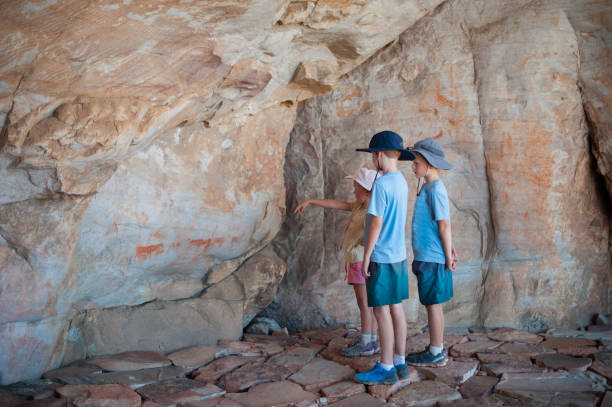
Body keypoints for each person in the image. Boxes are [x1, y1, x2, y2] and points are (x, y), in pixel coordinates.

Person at [294, 167, 381, 356]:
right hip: (355, 260)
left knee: (365, 303)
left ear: (367, 191)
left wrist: (365, 241)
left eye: (356, 188)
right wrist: (311, 201)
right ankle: (372, 339)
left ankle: (368, 342)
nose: (353, 191)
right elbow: (335, 204)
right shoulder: (359, 206)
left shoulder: (371, 210)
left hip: (359, 262)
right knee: (368, 303)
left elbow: (378, 229)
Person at [353, 130, 415, 385]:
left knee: (380, 310)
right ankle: (400, 360)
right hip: (398, 255)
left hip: (381, 255)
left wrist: (366, 255)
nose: (371, 161)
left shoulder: (381, 184)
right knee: (396, 308)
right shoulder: (401, 181)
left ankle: (386, 365)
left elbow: (376, 222)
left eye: (371, 156)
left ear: (379, 155)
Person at [406, 138, 456, 368]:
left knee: (434, 305)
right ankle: (435, 348)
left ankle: (436, 351)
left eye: (416, 162)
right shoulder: (427, 186)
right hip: (427, 256)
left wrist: (448, 255)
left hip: (433, 257)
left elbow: (444, 224)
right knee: (431, 303)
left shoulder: (436, 189)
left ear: (430, 163)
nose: (413, 166)